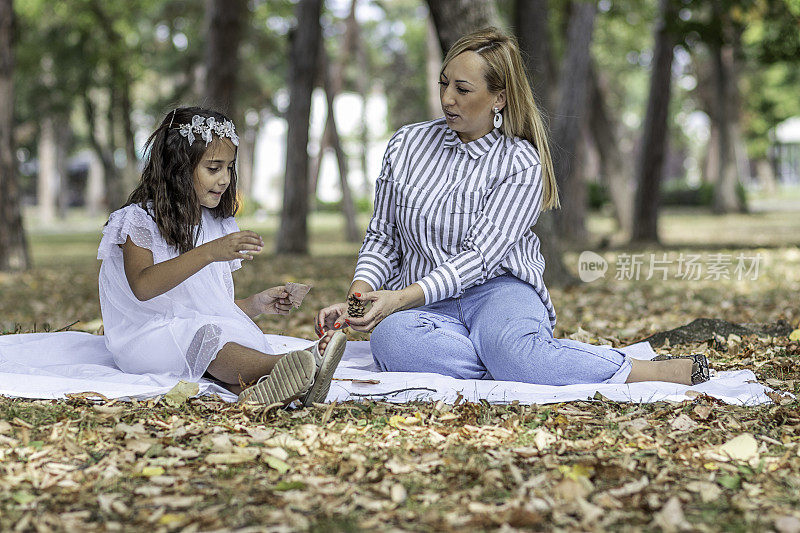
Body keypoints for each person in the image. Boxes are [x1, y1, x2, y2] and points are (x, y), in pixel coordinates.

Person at [315, 29, 709, 387]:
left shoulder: (520, 162)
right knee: (393, 340)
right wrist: (359, 299)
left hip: (497, 291)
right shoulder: (406, 145)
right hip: (424, 303)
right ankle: (517, 361)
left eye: (463, 89)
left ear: (498, 97)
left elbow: (480, 258)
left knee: (507, 351)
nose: (448, 98)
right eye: (444, 83)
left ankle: (636, 369)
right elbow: (382, 237)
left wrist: (397, 299)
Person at [98, 106, 345, 405]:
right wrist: (210, 252)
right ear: (178, 168)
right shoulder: (137, 221)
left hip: (192, 332)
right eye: (213, 168)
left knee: (218, 337)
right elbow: (143, 287)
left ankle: (267, 389)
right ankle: (296, 363)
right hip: (143, 340)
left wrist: (256, 304)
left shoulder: (215, 224)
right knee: (207, 337)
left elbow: (210, 309)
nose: (225, 179)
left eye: (229, 168)